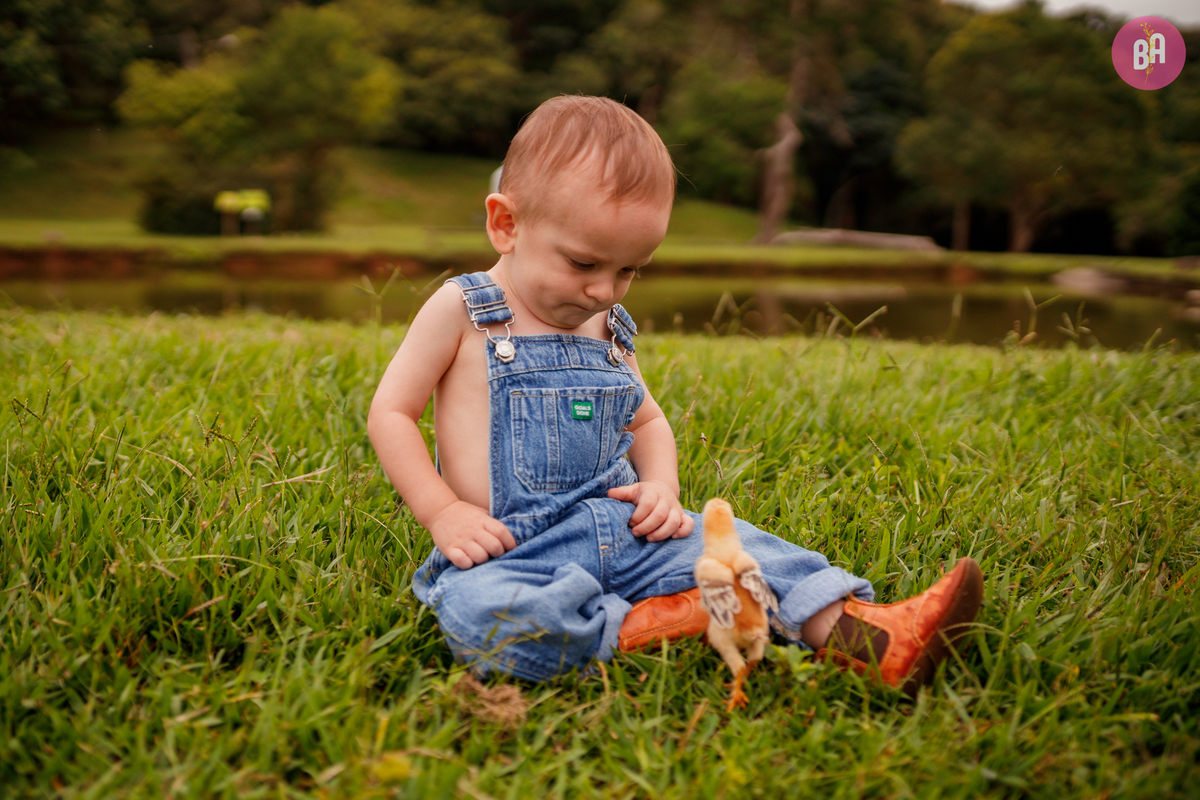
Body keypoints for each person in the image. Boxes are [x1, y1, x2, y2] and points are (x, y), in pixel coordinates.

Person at [368, 95, 982, 691]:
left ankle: (875, 636)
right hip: (513, 549)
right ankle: (657, 622)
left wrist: (661, 488)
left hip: (628, 531)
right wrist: (443, 511)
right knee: (489, 619)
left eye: (630, 270)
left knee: (747, 550)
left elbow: (649, 420)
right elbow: (392, 413)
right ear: (506, 223)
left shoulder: (608, 327)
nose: (605, 289)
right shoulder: (465, 309)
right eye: (584, 264)